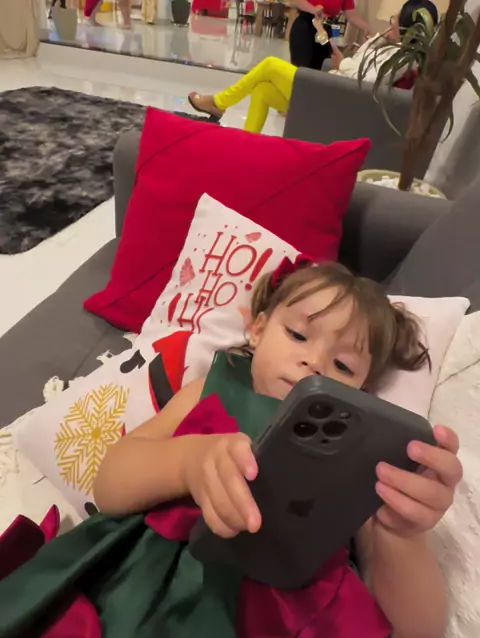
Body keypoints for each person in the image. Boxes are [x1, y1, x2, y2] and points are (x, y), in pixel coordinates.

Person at [0, 260, 461, 638]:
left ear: (363, 389)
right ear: (257, 330)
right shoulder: (211, 389)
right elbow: (109, 485)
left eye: (342, 365)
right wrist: (188, 462)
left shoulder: (356, 457)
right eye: (298, 336)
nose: (314, 362)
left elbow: (417, 629)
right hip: (143, 588)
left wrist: (402, 535)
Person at [188, 0, 438, 133]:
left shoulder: (404, 60)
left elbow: (366, 83)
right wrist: (376, 42)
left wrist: (344, 63)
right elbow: (362, 68)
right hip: (333, 90)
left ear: (408, 27)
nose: (391, 23)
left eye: (396, 20)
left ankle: (219, 103)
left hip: (335, 100)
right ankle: (246, 142)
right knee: (263, 90)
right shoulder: (391, 48)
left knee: (270, 65)